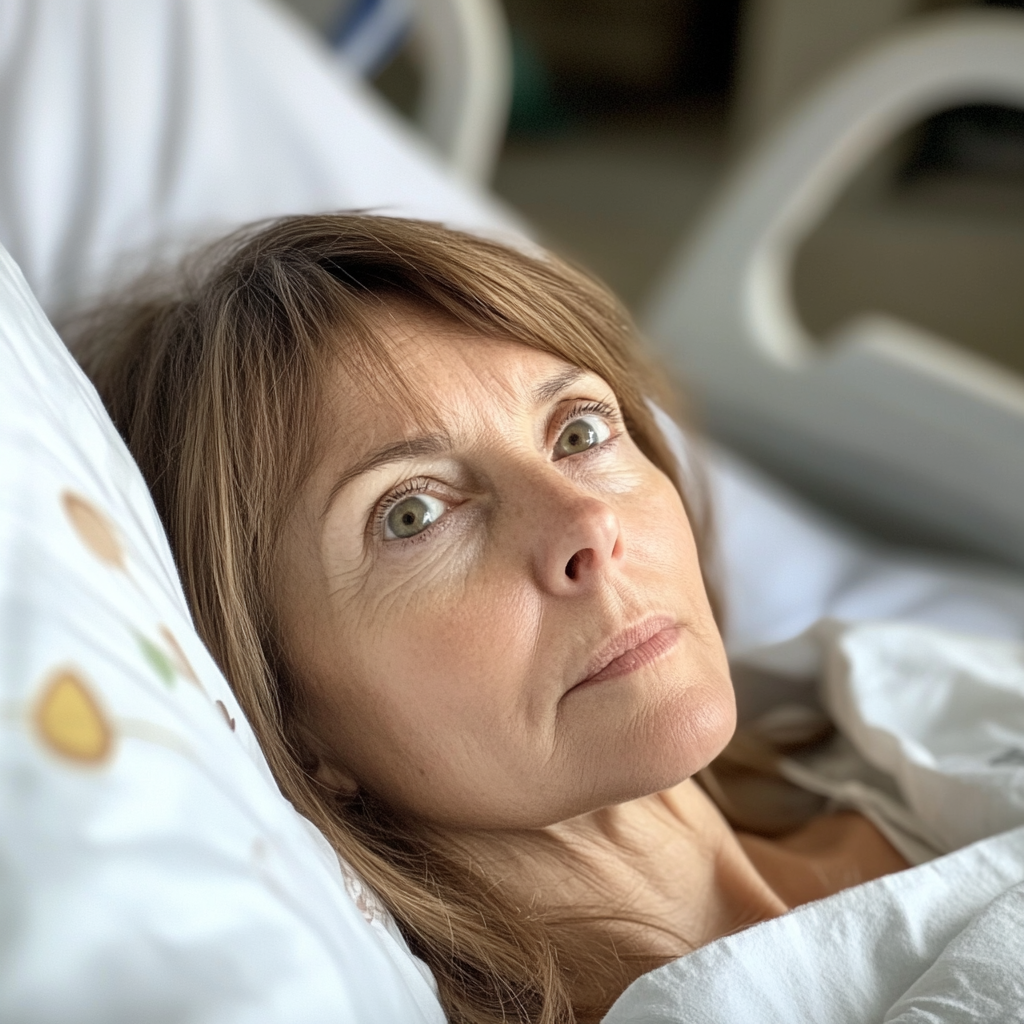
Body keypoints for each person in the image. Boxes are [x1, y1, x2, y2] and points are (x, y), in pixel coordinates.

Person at [71, 214, 908, 1024]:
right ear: (292, 721)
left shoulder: (909, 724)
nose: (586, 524)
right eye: (411, 515)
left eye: (580, 431)